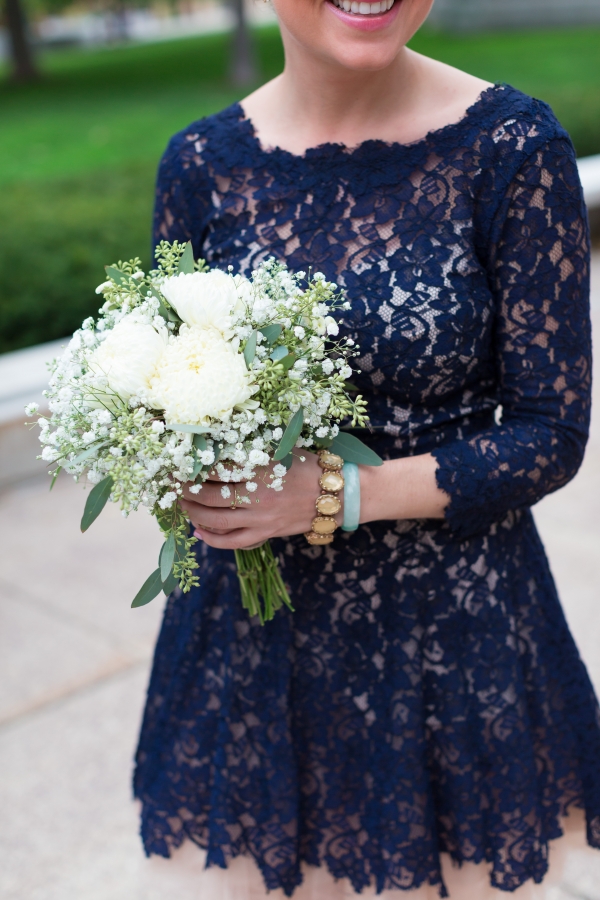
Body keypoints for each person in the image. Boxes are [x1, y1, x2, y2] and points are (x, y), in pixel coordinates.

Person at [133, 0, 600, 897]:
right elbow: (163, 377)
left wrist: (334, 494)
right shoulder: (197, 165)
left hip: (451, 649)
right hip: (255, 651)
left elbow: (553, 433)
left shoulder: (512, 147)